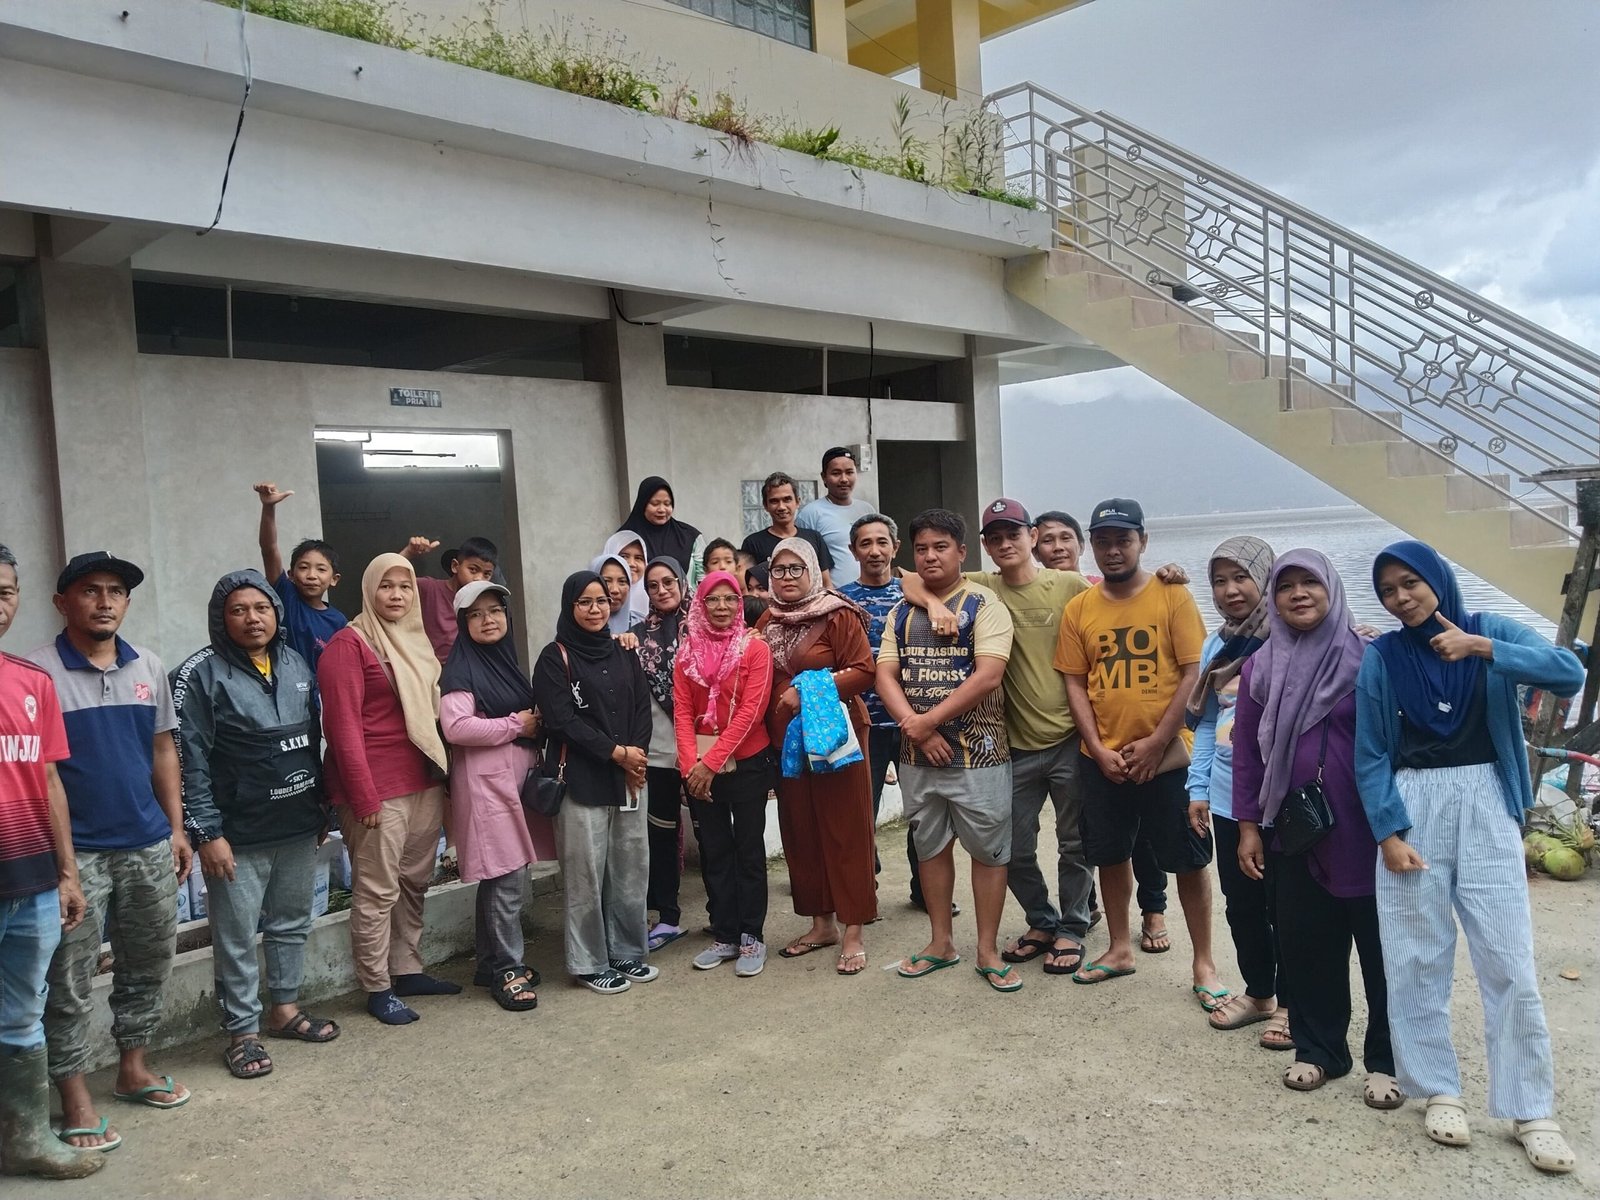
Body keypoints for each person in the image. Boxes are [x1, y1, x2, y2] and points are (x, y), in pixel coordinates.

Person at [1357, 540, 1582, 1174]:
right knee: (1415, 956)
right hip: (1413, 806)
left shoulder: (1488, 629)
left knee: (1508, 958)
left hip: (1486, 799)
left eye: (1410, 583)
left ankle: (1531, 1110)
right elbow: (1370, 751)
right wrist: (1388, 832)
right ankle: (1438, 1090)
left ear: (1436, 579)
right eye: (1388, 590)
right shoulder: (1382, 656)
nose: (1401, 598)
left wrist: (1482, 649)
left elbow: (1568, 673)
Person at [28, 551, 193, 1151]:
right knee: (68, 977)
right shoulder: (36, 673)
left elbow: (163, 749)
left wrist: (175, 829)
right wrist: (63, 865)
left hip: (147, 842)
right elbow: (40, 773)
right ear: (62, 602)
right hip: (76, 856)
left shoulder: (148, 665)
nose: (105, 602)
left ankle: (133, 1069)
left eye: (116, 591)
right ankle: (74, 1096)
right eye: (91, 590)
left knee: (148, 960)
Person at [1232, 551, 1396, 1106]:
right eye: (1286, 586)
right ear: (1273, 600)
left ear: (1332, 589)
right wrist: (1249, 827)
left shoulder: (1370, 657)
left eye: (1310, 583)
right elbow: (1248, 755)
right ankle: (1320, 1049)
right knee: (1307, 946)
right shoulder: (1260, 668)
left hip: (1369, 829)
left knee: (1383, 951)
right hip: (1297, 831)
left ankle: (1386, 1059)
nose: (1298, 594)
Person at [1053, 500, 1226, 1002]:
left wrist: (1157, 742)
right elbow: (1075, 681)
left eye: (1123, 540)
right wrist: (1095, 746)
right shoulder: (1080, 608)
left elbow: (1194, 674)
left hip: (1169, 758)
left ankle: (1204, 963)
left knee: (1189, 859)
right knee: (1110, 854)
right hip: (1103, 760)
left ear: (1143, 542)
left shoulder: (1172, 596)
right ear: (1092, 545)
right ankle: (1119, 948)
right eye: (1103, 541)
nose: (1113, 550)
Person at [170, 570, 339, 1079]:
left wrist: (319, 809)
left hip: (296, 824)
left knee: (291, 923)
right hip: (236, 835)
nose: (252, 618)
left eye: (261, 608)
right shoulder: (198, 674)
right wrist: (207, 833)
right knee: (237, 936)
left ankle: (284, 1009)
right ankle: (242, 1033)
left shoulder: (295, 661)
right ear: (221, 618)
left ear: (276, 612)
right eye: (238, 610)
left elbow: (311, 740)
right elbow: (188, 761)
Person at [875, 510, 1018, 991]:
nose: (930, 556)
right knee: (930, 847)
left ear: (962, 552)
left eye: (941, 547)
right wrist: (916, 730)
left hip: (980, 754)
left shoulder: (985, 605)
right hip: (917, 757)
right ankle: (941, 943)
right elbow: (885, 675)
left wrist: (927, 722)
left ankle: (987, 950)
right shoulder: (902, 612)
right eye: (922, 548)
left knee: (989, 852)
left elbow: (988, 675)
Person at [318, 553, 456, 1026]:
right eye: (386, 586)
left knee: (414, 881)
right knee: (377, 891)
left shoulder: (414, 639)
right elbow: (342, 730)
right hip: (377, 790)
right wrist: (363, 797)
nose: (397, 595)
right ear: (368, 589)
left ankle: (407, 969)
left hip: (423, 781)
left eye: (405, 586)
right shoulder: (348, 645)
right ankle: (377, 986)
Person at [0, 544, 101, 1180]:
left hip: (32, 880)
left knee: (21, 1014)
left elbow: (48, 781)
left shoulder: (31, 682)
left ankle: (26, 1137)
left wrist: (67, 874)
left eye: (5, 591)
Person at [1033, 508, 1169, 937]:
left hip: (1118, 731)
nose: (1057, 547)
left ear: (1080, 544)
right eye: (1047, 539)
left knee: (1141, 831)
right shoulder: (1028, 590)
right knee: (1090, 831)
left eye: (1065, 538)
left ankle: (1153, 907)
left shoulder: (1103, 586)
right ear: (1034, 546)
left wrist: (1170, 574)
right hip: (1070, 735)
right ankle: (1087, 907)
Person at [1186, 537, 1292, 1046]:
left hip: (1285, 797)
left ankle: (1293, 1002)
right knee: (1242, 903)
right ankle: (1260, 992)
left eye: (1242, 577)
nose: (1230, 590)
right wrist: (1197, 787)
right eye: (1219, 581)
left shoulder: (1294, 637)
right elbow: (1209, 722)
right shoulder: (1218, 646)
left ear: (1266, 578)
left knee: (1287, 903)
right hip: (1230, 796)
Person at [756, 538, 878, 975]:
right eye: (779, 570)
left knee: (846, 830)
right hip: (786, 743)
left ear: (812, 571)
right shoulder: (768, 619)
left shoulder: (837, 614)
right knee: (801, 831)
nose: (787, 577)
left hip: (836, 740)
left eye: (796, 569)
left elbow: (864, 671)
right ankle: (821, 924)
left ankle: (853, 930)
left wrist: (804, 691)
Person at [532, 572, 655, 995]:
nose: (595, 609)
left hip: (629, 778)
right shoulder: (554, 658)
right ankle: (588, 963)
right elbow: (561, 720)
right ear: (570, 607)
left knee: (629, 870)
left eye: (601, 601)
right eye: (584, 602)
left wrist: (636, 756)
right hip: (582, 781)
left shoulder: (623, 652)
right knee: (585, 876)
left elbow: (641, 707)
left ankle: (625, 952)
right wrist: (617, 753)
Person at [439, 581, 553, 1014]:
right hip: (486, 784)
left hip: (511, 781)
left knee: (500, 874)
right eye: (476, 614)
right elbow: (456, 727)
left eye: (495, 611)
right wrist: (515, 725)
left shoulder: (504, 662)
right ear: (463, 623)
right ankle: (508, 968)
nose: (488, 620)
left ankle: (489, 963)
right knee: (505, 878)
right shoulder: (460, 670)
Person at [673, 572, 776, 976]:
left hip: (747, 763)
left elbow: (751, 712)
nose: (721, 607)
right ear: (700, 605)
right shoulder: (688, 651)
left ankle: (752, 936)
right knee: (715, 851)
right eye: (712, 600)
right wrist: (690, 769)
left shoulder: (754, 648)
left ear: (739, 604)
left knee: (748, 851)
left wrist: (710, 763)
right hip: (700, 769)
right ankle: (726, 934)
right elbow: (682, 711)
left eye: (730, 599)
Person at [838, 513, 928, 903]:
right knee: (860, 815)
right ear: (853, 550)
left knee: (924, 814)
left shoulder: (914, 594)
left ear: (895, 547)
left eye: (881, 542)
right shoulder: (840, 601)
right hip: (864, 725)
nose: (874, 551)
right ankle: (863, 892)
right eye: (865, 543)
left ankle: (926, 891)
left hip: (914, 722)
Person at [633, 558, 690, 951]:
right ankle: (667, 917)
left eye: (668, 581)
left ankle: (725, 917)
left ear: (682, 582)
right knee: (661, 837)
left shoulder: (705, 629)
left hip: (702, 750)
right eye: (653, 585)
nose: (662, 590)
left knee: (713, 835)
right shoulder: (636, 637)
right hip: (658, 754)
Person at [253, 482, 346, 670]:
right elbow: (269, 549)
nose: (311, 575)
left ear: (334, 579)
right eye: (304, 567)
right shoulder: (286, 596)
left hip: (321, 688)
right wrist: (268, 507)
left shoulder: (339, 621)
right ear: (291, 575)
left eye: (321, 569)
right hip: (285, 685)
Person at [398, 535, 500, 663]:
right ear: (455, 566)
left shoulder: (485, 602)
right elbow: (386, 580)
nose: (479, 578)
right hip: (431, 668)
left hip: (470, 667)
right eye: (473, 570)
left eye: (486, 574)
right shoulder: (430, 589)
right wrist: (408, 552)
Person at [795, 448, 876, 587]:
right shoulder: (810, 514)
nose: (844, 479)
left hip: (870, 593)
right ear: (824, 477)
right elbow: (801, 561)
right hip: (832, 596)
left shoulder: (867, 510)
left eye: (849, 472)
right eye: (836, 473)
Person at [740, 471, 835, 586]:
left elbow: (826, 582)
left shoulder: (814, 538)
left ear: (797, 502)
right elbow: (748, 586)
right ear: (765, 505)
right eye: (774, 501)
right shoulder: (753, 543)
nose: (781, 507)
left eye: (787, 499)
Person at [619, 477, 703, 581]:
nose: (662, 510)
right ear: (642, 504)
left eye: (667, 504)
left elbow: (704, 579)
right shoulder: (624, 539)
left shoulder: (690, 537)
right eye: (655, 504)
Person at [592, 549, 645, 637]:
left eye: (622, 581)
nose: (615, 590)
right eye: (606, 581)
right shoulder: (579, 626)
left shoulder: (643, 625)